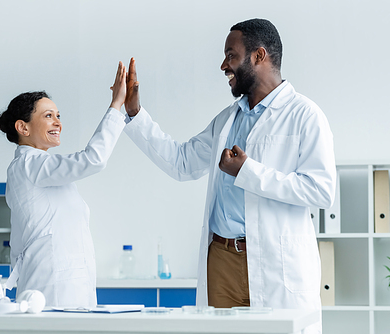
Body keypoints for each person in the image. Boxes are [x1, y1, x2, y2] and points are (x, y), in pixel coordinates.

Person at [123, 19, 335, 333]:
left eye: (231, 55)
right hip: (221, 260)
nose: (224, 65)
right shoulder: (227, 119)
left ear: (259, 56)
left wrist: (247, 172)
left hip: (274, 260)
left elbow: (321, 191)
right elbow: (182, 162)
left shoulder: (305, 115)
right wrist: (135, 113)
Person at [0, 62, 128, 308]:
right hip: (50, 288)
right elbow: (93, 159)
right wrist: (116, 105)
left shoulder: (42, 168)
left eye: (58, 116)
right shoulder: (28, 165)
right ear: (23, 127)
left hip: (68, 287)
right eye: (48, 116)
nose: (58, 122)